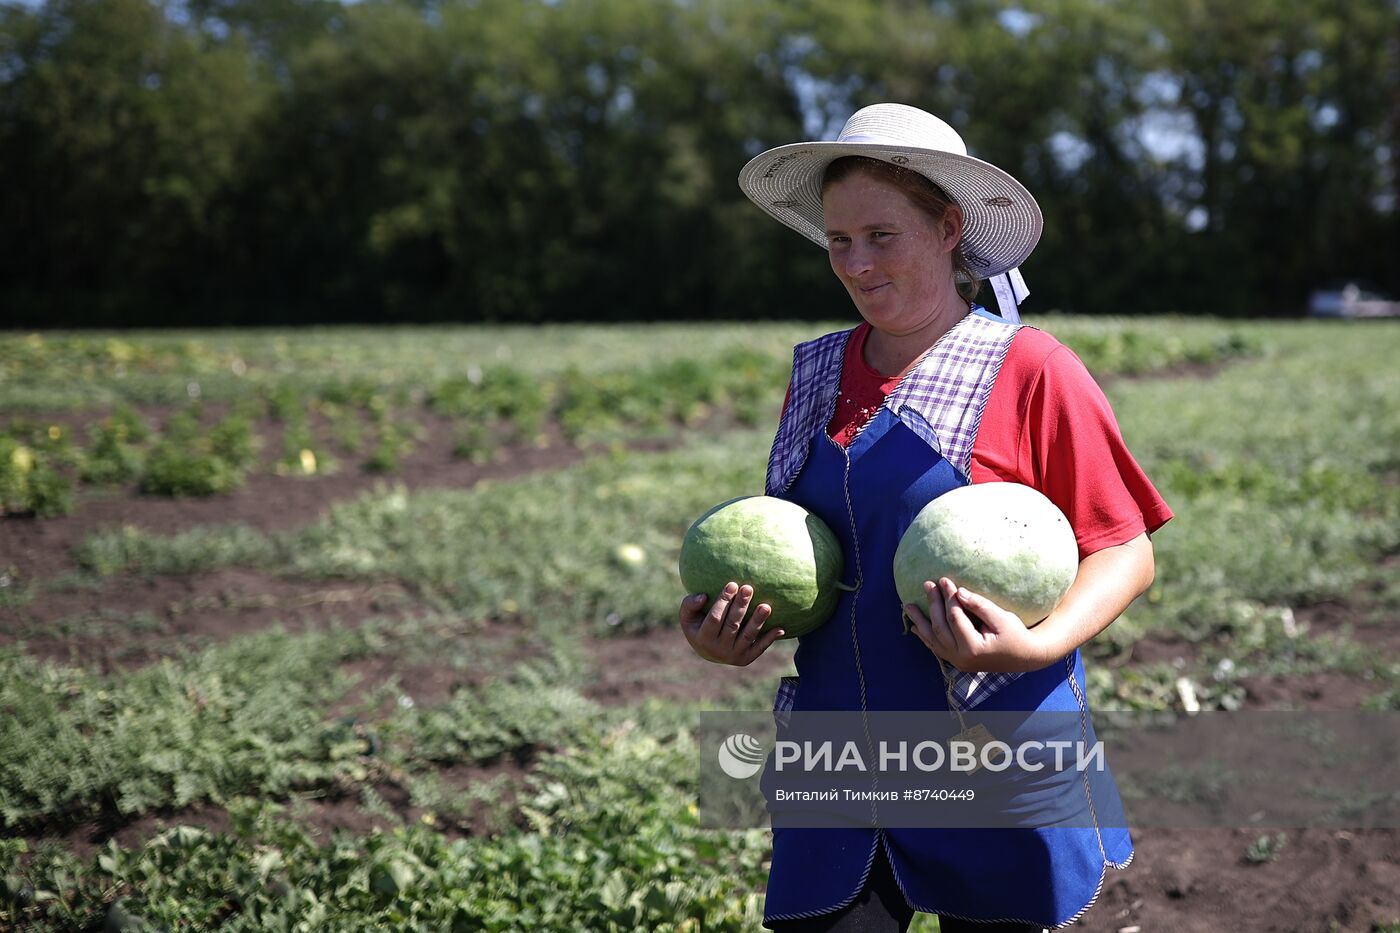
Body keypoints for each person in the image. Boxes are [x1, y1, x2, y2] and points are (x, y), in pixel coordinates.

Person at [678, 103, 1173, 931]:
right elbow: (813, 557)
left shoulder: (1033, 368)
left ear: (948, 229)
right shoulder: (815, 372)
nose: (856, 263)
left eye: (881, 236)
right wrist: (724, 632)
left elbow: (1123, 550)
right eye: (839, 241)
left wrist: (1037, 646)